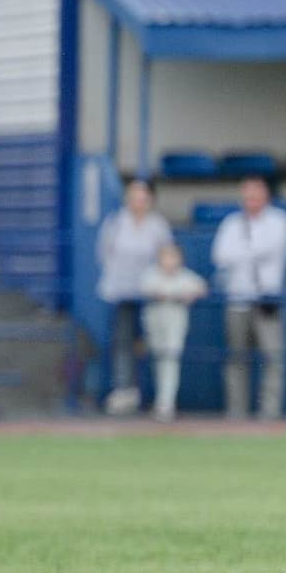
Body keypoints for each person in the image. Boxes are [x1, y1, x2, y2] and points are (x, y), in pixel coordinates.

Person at [211, 175, 286, 420]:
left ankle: (270, 413)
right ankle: (236, 413)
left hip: (267, 299)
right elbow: (220, 256)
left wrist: (242, 253)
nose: (251, 200)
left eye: (256, 195)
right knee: (237, 358)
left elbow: (269, 249)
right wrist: (247, 253)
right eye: (247, 195)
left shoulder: (278, 220)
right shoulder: (231, 223)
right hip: (238, 299)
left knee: (273, 357)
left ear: (266, 196)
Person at [96, 178, 172, 415]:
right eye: (133, 196)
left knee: (151, 343)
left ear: (150, 199)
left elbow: (166, 256)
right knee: (122, 342)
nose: (137, 201)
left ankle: (157, 396)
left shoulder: (158, 226)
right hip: (121, 292)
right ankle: (124, 391)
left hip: (151, 294)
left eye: (142, 196)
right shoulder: (116, 223)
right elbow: (104, 253)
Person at [139, 242, 207, 424]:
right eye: (165, 256)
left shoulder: (185, 276)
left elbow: (202, 288)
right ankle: (159, 401)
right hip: (155, 320)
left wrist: (187, 295)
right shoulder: (151, 274)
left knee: (171, 360)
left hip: (175, 320)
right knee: (158, 360)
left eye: (173, 256)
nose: (169, 261)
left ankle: (166, 404)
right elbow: (145, 288)